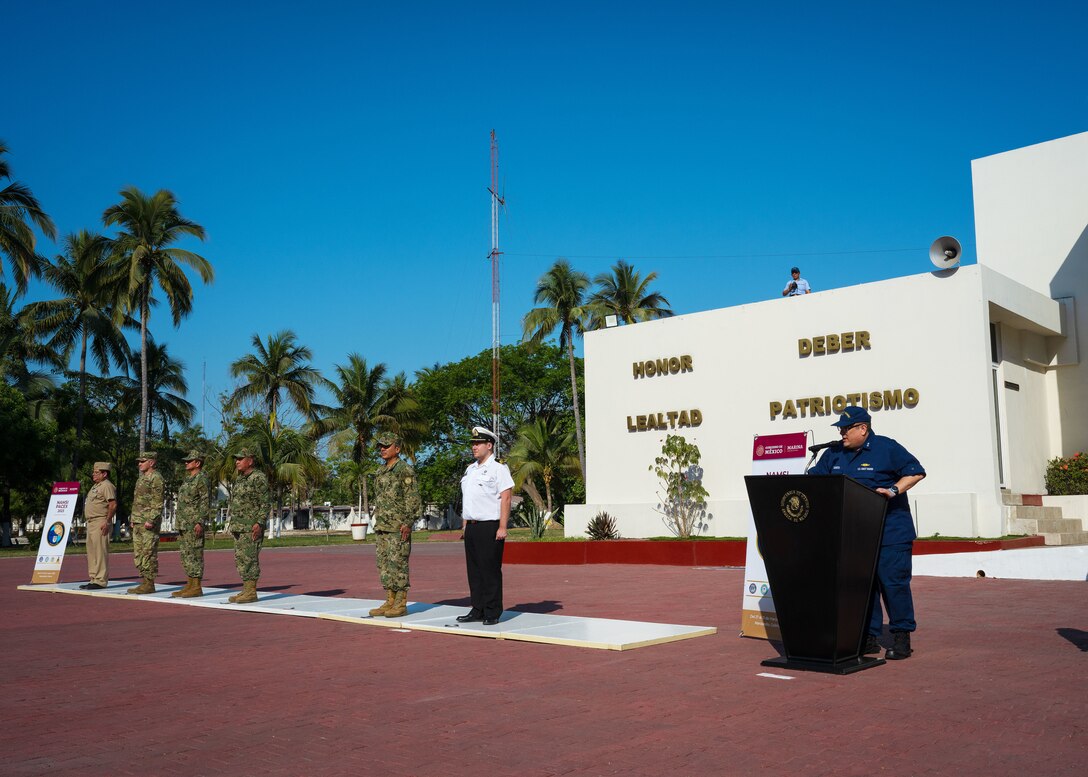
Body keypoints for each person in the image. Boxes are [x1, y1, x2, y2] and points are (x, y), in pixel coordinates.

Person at [809, 406, 926, 660]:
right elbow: (814, 480)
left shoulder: (887, 448)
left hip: (890, 532)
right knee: (865, 586)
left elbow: (916, 471)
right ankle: (869, 638)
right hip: (855, 535)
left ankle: (901, 637)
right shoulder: (834, 453)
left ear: (863, 428)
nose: (842, 434)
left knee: (893, 585)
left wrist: (893, 490)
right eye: (840, 429)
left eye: (845, 429)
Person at [456, 427, 514, 626]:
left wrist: (503, 526)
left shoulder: (499, 469)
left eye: (477, 443)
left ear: (489, 445)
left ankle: (492, 611)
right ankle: (478, 608)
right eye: (473, 443)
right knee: (474, 571)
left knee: (490, 570)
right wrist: (465, 525)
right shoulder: (470, 469)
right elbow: (469, 499)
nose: (474, 447)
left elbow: (506, 498)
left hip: (490, 525)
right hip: (472, 526)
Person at [368, 431, 421, 618]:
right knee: (384, 564)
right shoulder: (381, 471)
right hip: (383, 525)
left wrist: (408, 522)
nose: (382, 449)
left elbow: (412, 498)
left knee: (398, 564)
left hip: (398, 526)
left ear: (397, 448)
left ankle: (400, 603)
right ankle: (389, 599)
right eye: (381, 446)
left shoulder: (404, 470)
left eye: (386, 446)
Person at [227, 448, 271, 604]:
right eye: (236, 459)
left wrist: (259, 523)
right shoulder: (240, 479)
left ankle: (251, 592)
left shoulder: (258, 478)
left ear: (250, 461)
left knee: (250, 558)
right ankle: (246, 589)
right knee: (241, 559)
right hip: (239, 526)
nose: (237, 461)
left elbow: (265, 503)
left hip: (251, 526)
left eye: (240, 458)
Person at [172, 450, 213, 598]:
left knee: (195, 554)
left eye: (189, 461)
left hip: (194, 523)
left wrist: (200, 521)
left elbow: (205, 501)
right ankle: (189, 584)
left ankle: (196, 586)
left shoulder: (202, 478)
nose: (186, 463)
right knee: (186, 555)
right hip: (184, 523)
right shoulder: (188, 479)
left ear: (198, 463)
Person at [127, 451, 164, 594]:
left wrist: (152, 519)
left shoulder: (156, 478)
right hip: (138, 521)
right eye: (139, 461)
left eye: (142, 461)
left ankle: (149, 583)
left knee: (148, 552)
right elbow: (137, 501)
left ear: (152, 462)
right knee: (139, 553)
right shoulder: (141, 479)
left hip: (148, 522)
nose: (139, 464)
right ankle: (144, 582)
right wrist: (133, 518)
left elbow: (158, 501)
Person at [80, 462, 117, 590]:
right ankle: (93, 578)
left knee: (100, 551)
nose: (93, 475)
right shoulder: (96, 486)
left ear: (104, 473)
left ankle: (100, 580)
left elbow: (112, 505)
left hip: (101, 521)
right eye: (93, 472)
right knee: (92, 552)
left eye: (96, 473)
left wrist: (107, 521)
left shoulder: (107, 486)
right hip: (91, 522)